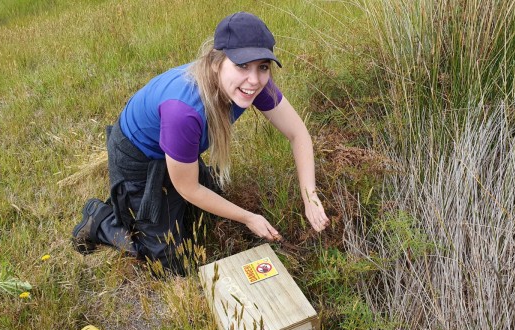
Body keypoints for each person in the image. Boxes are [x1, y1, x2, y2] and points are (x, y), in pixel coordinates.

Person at [71, 11, 329, 275]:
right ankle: (100, 220)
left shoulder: (254, 86)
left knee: (206, 218)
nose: (254, 80)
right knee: (171, 265)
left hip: (178, 152)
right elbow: (189, 189)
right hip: (137, 157)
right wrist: (248, 217)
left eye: (262, 66)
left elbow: (298, 134)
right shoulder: (184, 111)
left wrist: (310, 197)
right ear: (216, 62)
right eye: (242, 65)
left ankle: (155, 207)